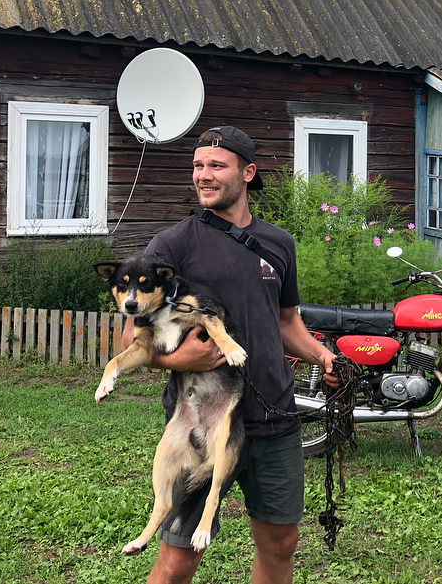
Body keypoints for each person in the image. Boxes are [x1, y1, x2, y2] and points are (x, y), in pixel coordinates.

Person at [120, 125, 338, 584]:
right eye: (198, 166)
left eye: (216, 165)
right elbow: (131, 340)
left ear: (247, 172)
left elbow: (284, 324)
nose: (203, 175)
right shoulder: (172, 246)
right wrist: (180, 361)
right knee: (179, 557)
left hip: (274, 416)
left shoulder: (279, 243)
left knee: (280, 544)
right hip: (201, 423)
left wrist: (321, 355)